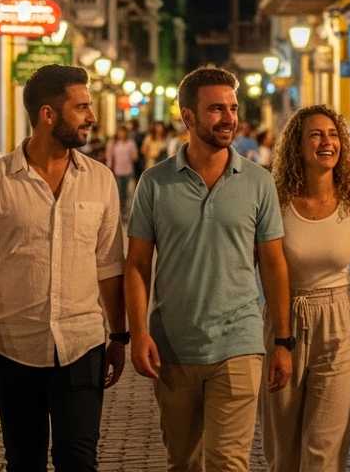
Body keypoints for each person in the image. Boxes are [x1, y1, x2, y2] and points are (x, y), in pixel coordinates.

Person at [0, 65, 126, 471]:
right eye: (81, 108)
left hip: (82, 345)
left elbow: (109, 265)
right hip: (13, 346)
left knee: (78, 460)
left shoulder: (100, 180)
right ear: (48, 114)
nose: (91, 117)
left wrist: (119, 334)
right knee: (23, 461)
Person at [125, 67, 292, 471]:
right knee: (183, 461)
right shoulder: (155, 183)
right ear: (188, 117)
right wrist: (139, 333)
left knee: (228, 462)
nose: (229, 118)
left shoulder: (258, 181)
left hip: (239, 341)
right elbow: (137, 264)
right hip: (174, 345)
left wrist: (283, 342)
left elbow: (273, 264)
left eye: (232, 108)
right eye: (216, 109)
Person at [264, 105, 350, 471]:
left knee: (325, 448)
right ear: (297, 146)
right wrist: (280, 341)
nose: (327, 142)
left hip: (339, 322)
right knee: (282, 449)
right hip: (283, 320)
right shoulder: (275, 201)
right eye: (316, 135)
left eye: (333, 134)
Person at [106, 125, 139, 217]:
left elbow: (135, 157)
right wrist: (109, 168)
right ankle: (119, 212)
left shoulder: (131, 143)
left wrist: (132, 155)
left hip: (128, 171)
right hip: (117, 171)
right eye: (120, 132)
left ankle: (126, 212)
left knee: (128, 193)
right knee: (118, 192)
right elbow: (109, 157)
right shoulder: (114, 143)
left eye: (123, 132)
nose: (121, 134)